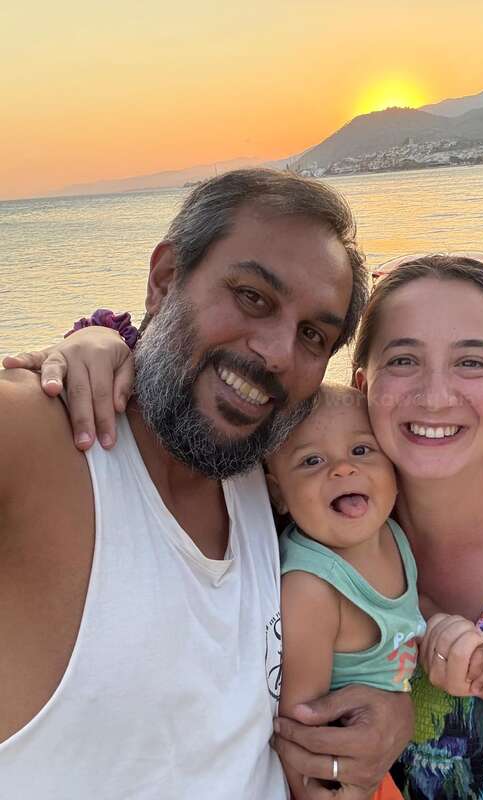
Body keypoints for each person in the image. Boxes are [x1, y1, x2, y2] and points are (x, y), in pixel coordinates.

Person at [31, 255, 483, 798]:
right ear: (362, 388)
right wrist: (102, 343)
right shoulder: (334, 499)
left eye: (471, 362)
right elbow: (201, 406)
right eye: (404, 360)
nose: (435, 396)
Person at [0, 169, 413, 799]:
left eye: (313, 335)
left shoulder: (272, 473)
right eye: (252, 296)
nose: (277, 351)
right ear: (165, 279)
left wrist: (390, 714)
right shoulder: (39, 436)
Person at [269, 383, 483, 799]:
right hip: (350, 773)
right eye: (311, 460)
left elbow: (413, 605)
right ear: (277, 493)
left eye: (361, 451)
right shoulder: (311, 587)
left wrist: (446, 630)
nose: (342, 469)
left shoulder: (391, 535)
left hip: (392, 755)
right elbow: (301, 726)